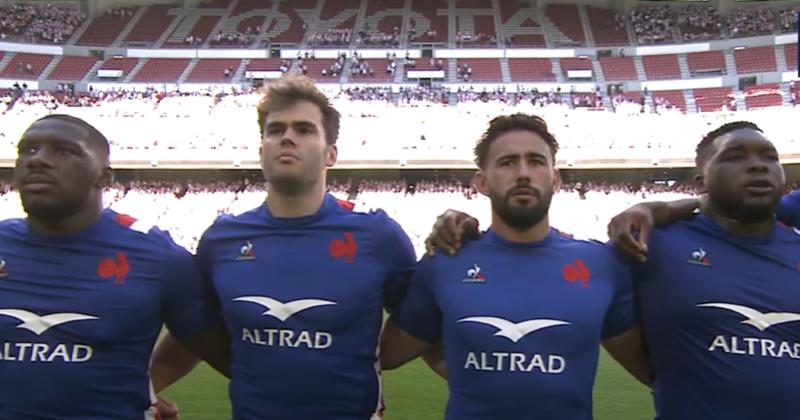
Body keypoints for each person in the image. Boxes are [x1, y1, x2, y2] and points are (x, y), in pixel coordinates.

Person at [433, 121, 800, 419]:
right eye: (735, 156)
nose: (757, 165)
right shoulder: (653, 245)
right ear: (701, 182)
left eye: (770, 157)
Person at [151, 75, 417, 420]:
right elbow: (194, 331)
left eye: (304, 130)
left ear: (331, 153)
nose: (287, 137)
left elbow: (423, 324)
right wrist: (145, 388)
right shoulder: (221, 240)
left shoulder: (379, 236)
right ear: (262, 150)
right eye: (276, 130)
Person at [380, 113, 649, 420]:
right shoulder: (445, 262)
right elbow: (388, 353)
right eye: (507, 162)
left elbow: (653, 371)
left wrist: (662, 208)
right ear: (481, 181)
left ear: (555, 178)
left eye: (536, 161)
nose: (523, 173)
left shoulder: (603, 265)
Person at [0, 114, 226, 419]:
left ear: (104, 177)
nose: (37, 160)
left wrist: (146, 387)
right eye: (27, 150)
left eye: (63, 150)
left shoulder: (158, 257)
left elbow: (208, 344)